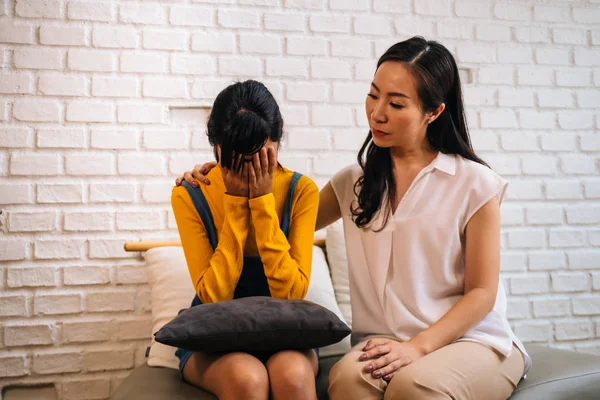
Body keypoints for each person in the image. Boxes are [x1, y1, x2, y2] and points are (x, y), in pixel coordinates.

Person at [177, 37, 531, 400]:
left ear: (434, 112)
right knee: (347, 382)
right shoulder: (354, 183)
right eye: (373, 95)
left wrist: (418, 347)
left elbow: (483, 293)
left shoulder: (475, 183)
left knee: (412, 388)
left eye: (395, 103)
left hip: (470, 340)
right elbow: (278, 219)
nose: (377, 113)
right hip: (385, 343)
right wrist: (224, 172)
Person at [171, 80, 320, 400]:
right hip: (216, 337)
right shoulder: (191, 193)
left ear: (279, 137)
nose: (251, 167)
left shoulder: (302, 191)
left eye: (261, 154)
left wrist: (262, 202)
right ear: (217, 145)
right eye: (237, 158)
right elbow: (214, 296)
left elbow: (292, 293)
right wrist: (237, 204)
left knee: (292, 377)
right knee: (246, 378)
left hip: (284, 331)